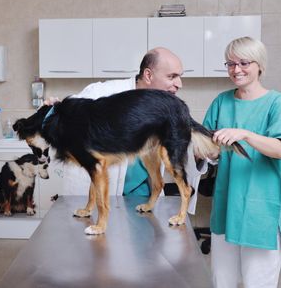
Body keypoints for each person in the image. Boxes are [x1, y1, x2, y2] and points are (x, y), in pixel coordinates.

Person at [202, 37, 281, 288]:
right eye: (230, 64)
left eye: (244, 62)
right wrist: (209, 153)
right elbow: (207, 148)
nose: (236, 70)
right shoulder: (221, 102)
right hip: (227, 207)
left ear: (260, 65)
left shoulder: (278, 104)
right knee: (221, 282)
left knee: (257, 283)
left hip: (261, 212)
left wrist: (245, 134)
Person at [58, 47, 207, 215]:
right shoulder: (100, 93)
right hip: (98, 195)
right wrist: (53, 110)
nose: (179, 84)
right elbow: (64, 117)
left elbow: (180, 155)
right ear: (148, 75)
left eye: (180, 76)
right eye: (172, 76)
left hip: (142, 197)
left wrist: (203, 153)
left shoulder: (166, 108)